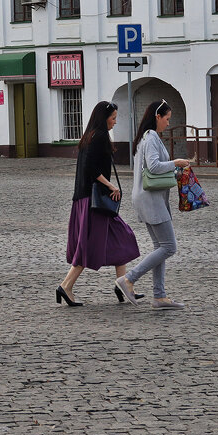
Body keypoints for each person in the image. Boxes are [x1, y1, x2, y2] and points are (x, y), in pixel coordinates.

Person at [58, 101, 140, 306]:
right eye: (112, 118)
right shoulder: (99, 137)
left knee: (122, 237)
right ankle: (66, 286)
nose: (114, 122)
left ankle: (124, 284)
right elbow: (91, 168)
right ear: (103, 119)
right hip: (94, 202)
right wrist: (111, 186)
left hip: (88, 200)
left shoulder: (90, 136)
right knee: (88, 246)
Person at [116, 100, 193, 310]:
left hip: (148, 197)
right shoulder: (150, 138)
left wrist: (176, 171)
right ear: (157, 116)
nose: (168, 123)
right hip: (151, 200)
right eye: (167, 119)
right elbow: (154, 166)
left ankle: (159, 296)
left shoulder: (147, 137)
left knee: (160, 247)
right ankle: (129, 279)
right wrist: (176, 163)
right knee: (169, 247)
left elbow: (155, 169)